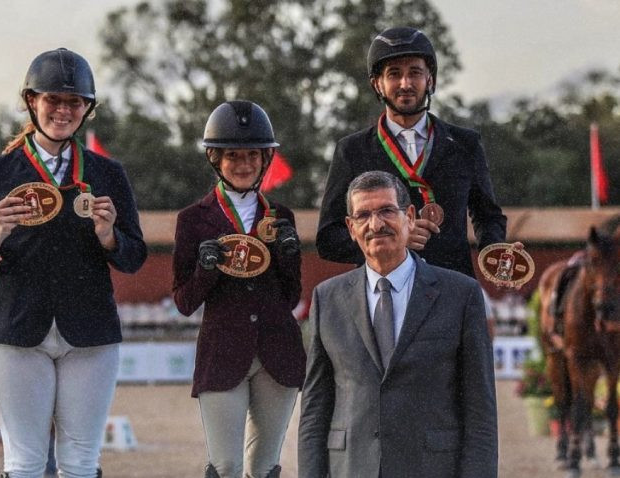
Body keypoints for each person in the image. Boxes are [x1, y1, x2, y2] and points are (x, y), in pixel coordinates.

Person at [0, 48, 147, 478]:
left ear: (86, 110)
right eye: (53, 100)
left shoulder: (108, 173)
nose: (63, 110)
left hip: (90, 334)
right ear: (32, 102)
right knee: (23, 463)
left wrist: (109, 236)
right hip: (19, 331)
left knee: (80, 463)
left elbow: (134, 257)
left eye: (73, 102)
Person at [298, 170, 497, 478]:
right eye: (363, 215)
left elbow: (480, 409)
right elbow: (315, 407)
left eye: (386, 211)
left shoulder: (461, 295)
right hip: (350, 468)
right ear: (351, 228)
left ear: (410, 217)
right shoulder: (327, 298)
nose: (375, 225)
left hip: (432, 467)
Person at [173, 100, 306, 478]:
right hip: (222, 352)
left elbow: (292, 296)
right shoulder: (193, 220)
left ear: (265, 159)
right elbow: (184, 302)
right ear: (215, 158)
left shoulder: (281, 217)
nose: (244, 164)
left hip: (277, 352)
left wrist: (286, 254)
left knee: (264, 467)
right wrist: (206, 267)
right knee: (226, 465)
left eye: (252, 155)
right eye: (233, 155)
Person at [316, 27, 506, 278]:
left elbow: (488, 216)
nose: (405, 84)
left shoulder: (464, 144)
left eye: (414, 73)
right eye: (394, 74)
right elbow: (329, 239)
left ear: (430, 79)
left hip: (451, 291)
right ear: (378, 84)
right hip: (382, 295)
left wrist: (496, 255)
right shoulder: (352, 151)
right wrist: (391, 242)